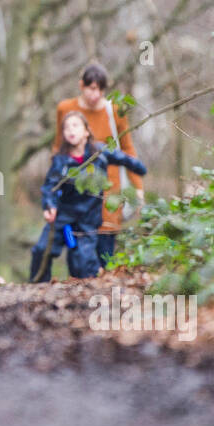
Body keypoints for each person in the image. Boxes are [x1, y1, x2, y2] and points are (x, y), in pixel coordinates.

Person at [33, 110, 147, 281]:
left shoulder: (99, 152)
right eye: (66, 128)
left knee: (84, 263)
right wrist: (50, 206)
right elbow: (50, 186)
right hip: (64, 216)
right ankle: (37, 287)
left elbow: (123, 158)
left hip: (88, 217)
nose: (70, 130)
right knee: (42, 250)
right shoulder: (60, 160)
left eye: (75, 126)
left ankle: (86, 297)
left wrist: (138, 168)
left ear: (86, 131)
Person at [51, 63, 144, 270]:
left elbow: (127, 149)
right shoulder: (65, 109)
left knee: (105, 238)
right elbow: (58, 147)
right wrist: (55, 185)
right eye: (91, 88)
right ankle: (76, 289)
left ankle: (105, 289)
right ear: (81, 86)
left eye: (100, 89)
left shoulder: (115, 111)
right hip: (75, 185)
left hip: (108, 184)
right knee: (76, 238)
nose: (95, 94)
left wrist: (137, 187)